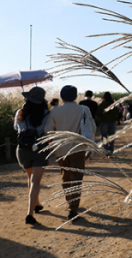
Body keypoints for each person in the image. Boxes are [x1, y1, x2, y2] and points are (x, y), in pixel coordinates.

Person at [43, 85, 96, 221]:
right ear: (76, 95)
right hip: (78, 148)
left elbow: (48, 131)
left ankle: (69, 202)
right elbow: (92, 128)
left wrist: (53, 144)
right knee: (77, 179)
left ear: (61, 97)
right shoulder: (84, 109)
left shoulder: (55, 112)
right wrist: (89, 147)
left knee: (66, 177)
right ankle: (73, 209)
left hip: (61, 150)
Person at [14, 86, 49, 225]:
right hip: (40, 149)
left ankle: (37, 204)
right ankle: (30, 213)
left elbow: (16, 128)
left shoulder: (20, 112)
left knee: (30, 178)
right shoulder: (47, 113)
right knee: (35, 181)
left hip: (22, 150)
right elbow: (47, 132)